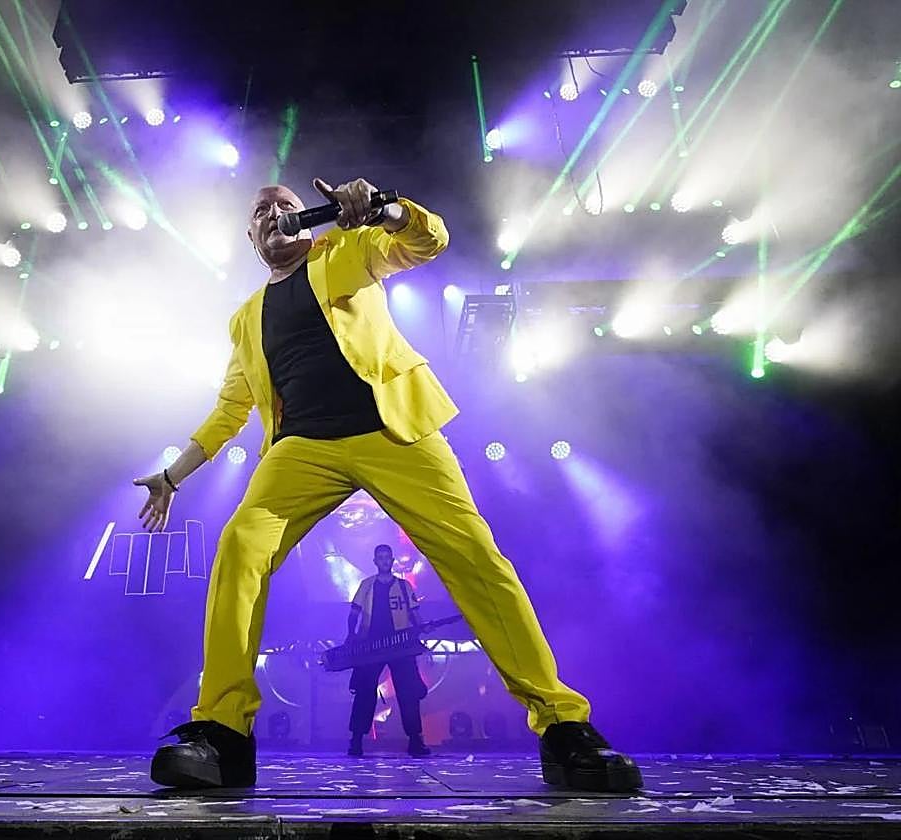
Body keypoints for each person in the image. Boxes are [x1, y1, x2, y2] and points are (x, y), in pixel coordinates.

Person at [134, 177, 642, 793]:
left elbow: (428, 241)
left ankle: (563, 726)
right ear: (250, 236)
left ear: (308, 220)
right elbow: (229, 410)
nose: (275, 214)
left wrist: (388, 208)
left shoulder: (345, 252)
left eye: (287, 206)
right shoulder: (245, 320)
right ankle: (223, 732)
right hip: (302, 449)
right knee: (241, 545)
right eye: (262, 211)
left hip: (393, 430)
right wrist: (171, 475)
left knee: (475, 558)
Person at [346, 544, 430, 758]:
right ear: (375, 561)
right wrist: (351, 635)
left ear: (391, 560)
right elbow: (353, 613)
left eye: (387, 557)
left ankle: (415, 740)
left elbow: (414, 614)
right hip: (371, 644)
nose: (384, 561)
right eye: (380, 557)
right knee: (365, 692)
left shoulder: (404, 587)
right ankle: (356, 741)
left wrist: (421, 628)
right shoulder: (366, 585)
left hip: (400, 644)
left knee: (408, 693)